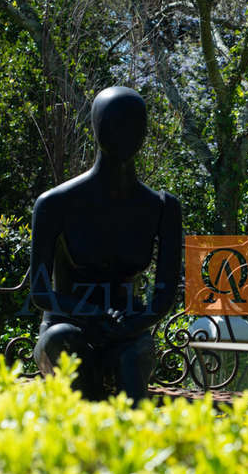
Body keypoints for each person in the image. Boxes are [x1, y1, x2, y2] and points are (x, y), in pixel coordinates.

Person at [29, 86, 182, 399]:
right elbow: (40, 292)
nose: (126, 133)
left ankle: (134, 442)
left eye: (135, 125)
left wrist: (130, 325)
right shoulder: (56, 203)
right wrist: (92, 314)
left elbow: (163, 296)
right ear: (97, 128)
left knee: (133, 355)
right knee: (63, 340)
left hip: (126, 332)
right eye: (114, 124)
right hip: (67, 327)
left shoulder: (162, 208)